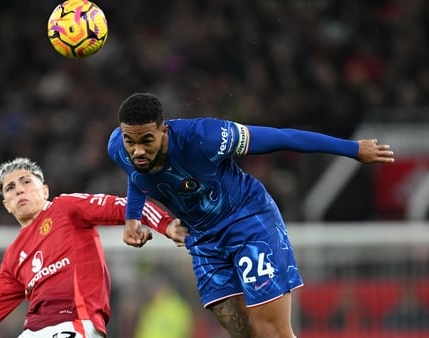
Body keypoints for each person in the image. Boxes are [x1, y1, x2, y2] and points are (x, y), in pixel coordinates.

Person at [107, 92, 396, 338]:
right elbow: (137, 177)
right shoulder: (119, 148)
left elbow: (282, 138)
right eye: (131, 142)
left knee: (272, 333)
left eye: (146, 140)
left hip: (247, 222)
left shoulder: (206, 137)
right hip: (205, 241)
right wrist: (133, 218)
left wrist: (353, 149)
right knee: (244, 333)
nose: (138, 150)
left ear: (164, 130)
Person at [0, 157, 186, 338]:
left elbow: (126, 205)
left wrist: (166, 226)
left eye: (25, 181)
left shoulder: (66, 209)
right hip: (33, 332)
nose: (19, 190)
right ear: (7, 205)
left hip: (74, 323)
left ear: (44, 190)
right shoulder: (14, 257)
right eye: (10, 188)